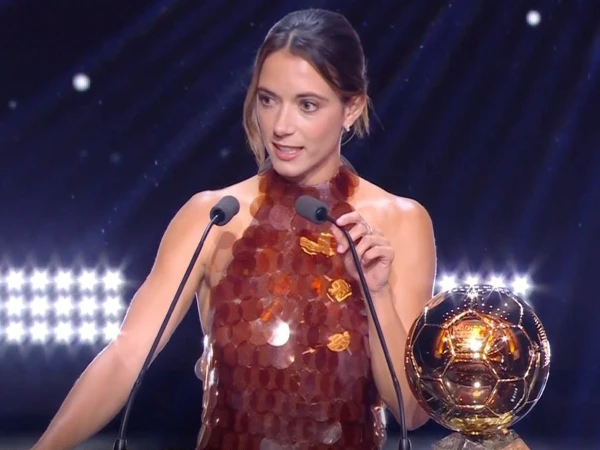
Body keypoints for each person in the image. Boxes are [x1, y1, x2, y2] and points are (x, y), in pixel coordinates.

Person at [32, 8, 437, 450]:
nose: (281, 126)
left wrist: (377, 295)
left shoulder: (400, 221)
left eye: (307, 105)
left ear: (351, 107)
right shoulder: (213, 216)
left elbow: (412, 411)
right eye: (268, 100)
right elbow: (126, 356)